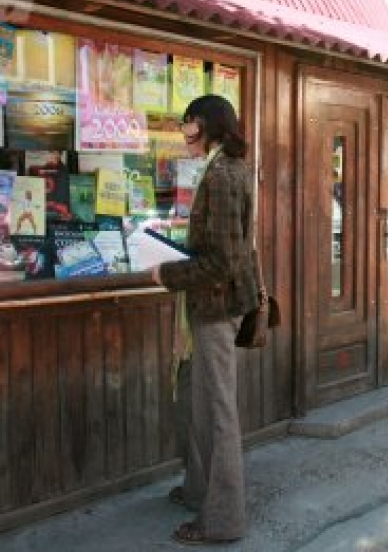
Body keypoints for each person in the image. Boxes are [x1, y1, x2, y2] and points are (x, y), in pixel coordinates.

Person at [152, 94, 261, 545]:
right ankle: (199, 489)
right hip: (219, 305)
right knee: (194, 401)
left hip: (216, 308)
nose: (184, 132)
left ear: (206, 125)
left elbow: (221, 262)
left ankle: (222, 520)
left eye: (188, 123)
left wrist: (166, 272)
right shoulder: (230, 169)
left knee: (217, 413)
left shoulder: (219, 175)